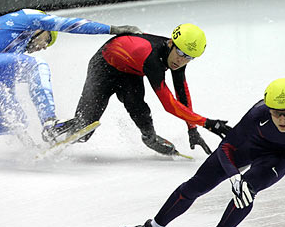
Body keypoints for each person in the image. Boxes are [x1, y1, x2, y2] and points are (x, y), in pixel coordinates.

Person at [116, 78, 285, 227]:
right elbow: (227, 146)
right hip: (248, 147)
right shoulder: (256, 116)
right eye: (275, 112)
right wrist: (233, 176)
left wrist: (241, 183)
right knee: (195, 186)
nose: (281, 119)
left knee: (247, 192)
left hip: (283, 155)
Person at [0, 8, 141, 154]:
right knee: (37, 65)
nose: (44, 46)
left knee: (15, 119)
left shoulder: (10, 48)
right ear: (40, 29)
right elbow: (70, 25)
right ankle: (50, 126)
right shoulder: (29, 17)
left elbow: (8, 98)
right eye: (47, 40)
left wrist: (31, 149)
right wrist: (113, 29)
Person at [70, 23, 231, 156]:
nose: (181, 60)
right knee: (83, 131)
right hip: (103, 67)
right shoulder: (153, 59)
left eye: (189, 57)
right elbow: (169, 105)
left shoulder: (177, 59)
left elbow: (181, 94)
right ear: (170, 43)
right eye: (180, 52)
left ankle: (150, 138)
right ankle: (54, 132)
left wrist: (192, 129)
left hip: (129, 71)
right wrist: (207, 123)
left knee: (138, 107)